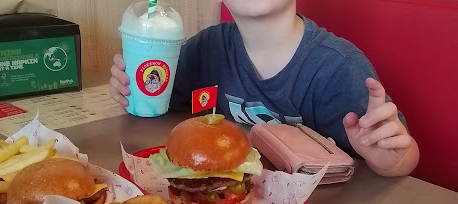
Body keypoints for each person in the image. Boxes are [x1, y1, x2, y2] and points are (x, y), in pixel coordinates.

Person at [110, 0, 419, 177]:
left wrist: (392, 160)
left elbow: (400, 155)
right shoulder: (207, 48)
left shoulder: (338, 68)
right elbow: (156, 100)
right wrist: (130, 89)